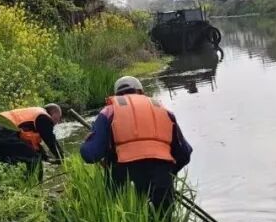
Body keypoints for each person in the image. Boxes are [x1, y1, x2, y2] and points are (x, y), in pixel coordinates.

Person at [80, 76, 192, 209]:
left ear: (116, 95)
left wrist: (89, 144)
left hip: (124, 177)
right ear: (141, 92)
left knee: (124, 220)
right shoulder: (164, 111)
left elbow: (91, 154)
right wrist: (169, 172)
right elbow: (185, 153)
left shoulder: (108, 111)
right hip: (161, 174)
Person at [0, 104, 63, 173]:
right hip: (2, 130)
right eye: (58, 118)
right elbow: (50, 139)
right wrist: (61, 158)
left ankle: (21, 182)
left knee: (16, 158)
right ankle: (35, 184)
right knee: (35, 159)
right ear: (54, 113)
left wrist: (45, 157)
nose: (58, 122)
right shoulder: (43, 117)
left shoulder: (34, 116)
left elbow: (32, 145)